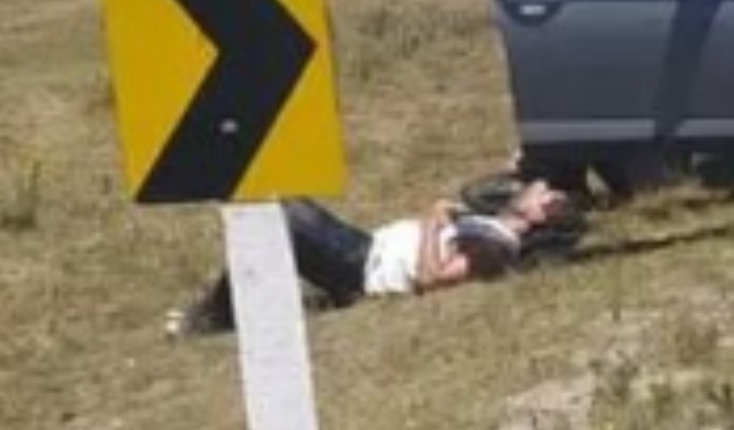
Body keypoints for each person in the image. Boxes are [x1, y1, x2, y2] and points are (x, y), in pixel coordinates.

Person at [167, 181, 569, 337]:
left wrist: (432, 222)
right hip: (361, 247)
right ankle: (226, 309)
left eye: (541, 192)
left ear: (539, 215)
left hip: (360, 270)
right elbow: (500, 177)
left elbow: (432, 280)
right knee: (277, 206)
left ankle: (213, 317)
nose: (532, 188)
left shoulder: (494, 247)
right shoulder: (491, 222)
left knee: (276, 215)